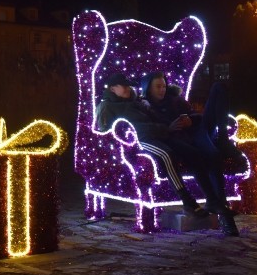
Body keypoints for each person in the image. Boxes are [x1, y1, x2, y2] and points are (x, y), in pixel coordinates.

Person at [95, 73, 240, 236]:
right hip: (142, 141)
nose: (128, 88)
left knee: (203, 153)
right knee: (169, 153)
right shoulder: (108, 106)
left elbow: (161, 118)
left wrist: (186, 121)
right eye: (124, 86)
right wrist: (165, 128)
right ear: (113, 88)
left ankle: (215, 200)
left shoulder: (139, 103)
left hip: (176, 134)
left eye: (164, 86)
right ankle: (189, 200)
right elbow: (111, 131)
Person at [139, 72, 241, 220]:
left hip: (198, 131)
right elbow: (153, 128)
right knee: (212, 155)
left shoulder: (175, 99)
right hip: (182, 140)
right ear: (148, 88)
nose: (162, 89)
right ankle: (217, 202)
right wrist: (170, 127)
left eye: (164, 86)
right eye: (158, 86)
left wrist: (190, 120)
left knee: (219, 88)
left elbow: (196, 115)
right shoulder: (145, 107)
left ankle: (224, 138)